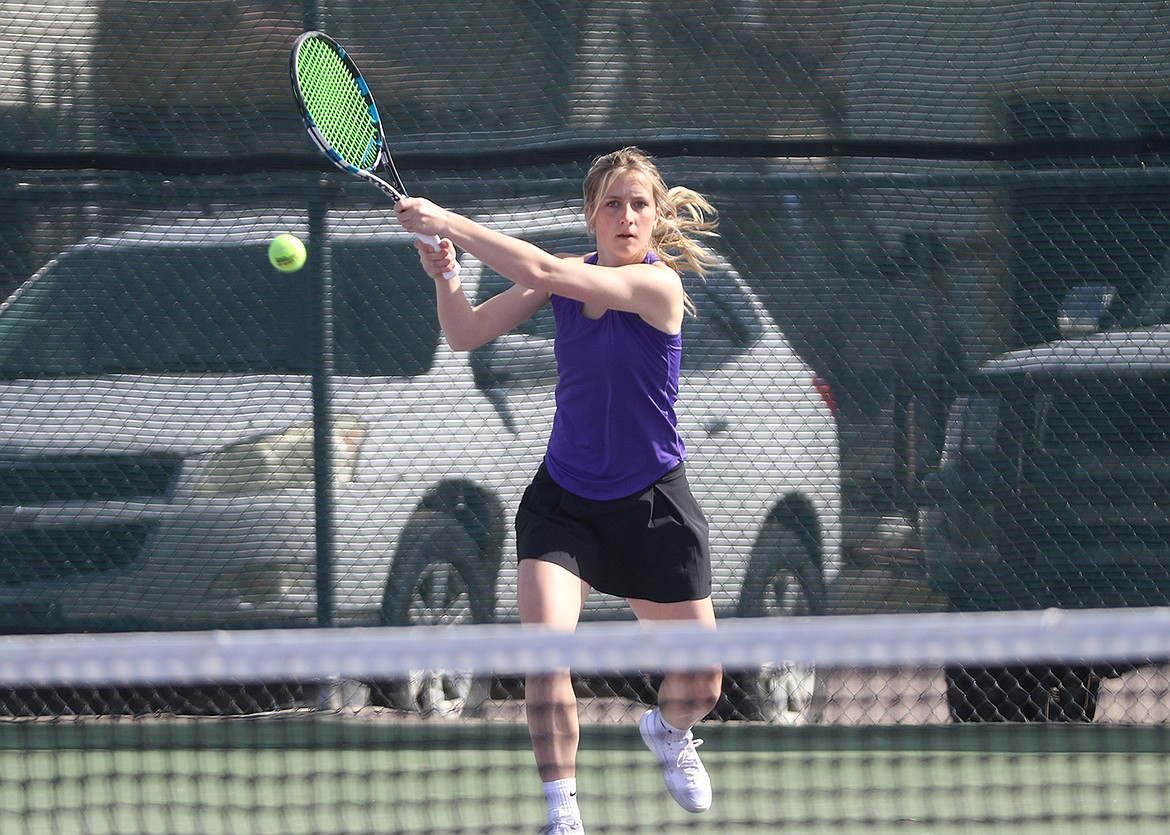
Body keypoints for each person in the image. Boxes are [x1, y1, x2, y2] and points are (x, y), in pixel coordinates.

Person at [394, 147, 724, 835]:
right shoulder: (563, 283)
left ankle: (668, 731)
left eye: (639, 204)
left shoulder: (659, 290)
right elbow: (464, 334)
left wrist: (448, 221)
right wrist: (447, 278)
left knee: (704, 682)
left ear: (657, 215)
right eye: (612, 204)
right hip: (565, 502)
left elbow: (543, 267)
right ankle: (561, 811)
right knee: (546, 652)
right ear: (592, 216)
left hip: (652, 503)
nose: (626, 215)